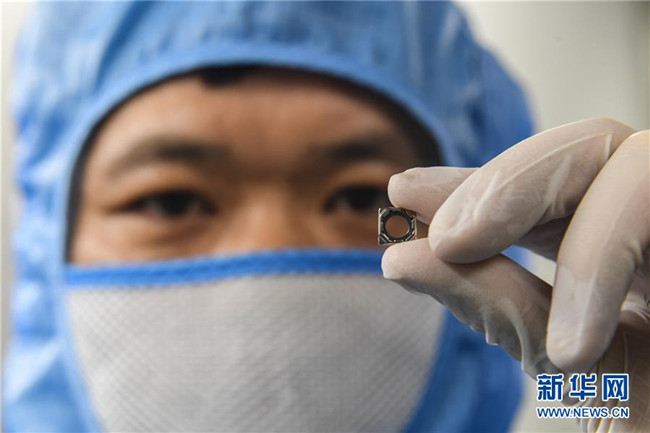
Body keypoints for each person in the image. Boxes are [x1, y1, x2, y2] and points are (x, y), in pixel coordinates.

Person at [3, 1, 647, 432]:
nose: (268, 261)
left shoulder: (599, 400)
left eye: (357, 199)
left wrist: (631, 399)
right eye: (171, 201)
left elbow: (600, 391)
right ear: (47, 246)